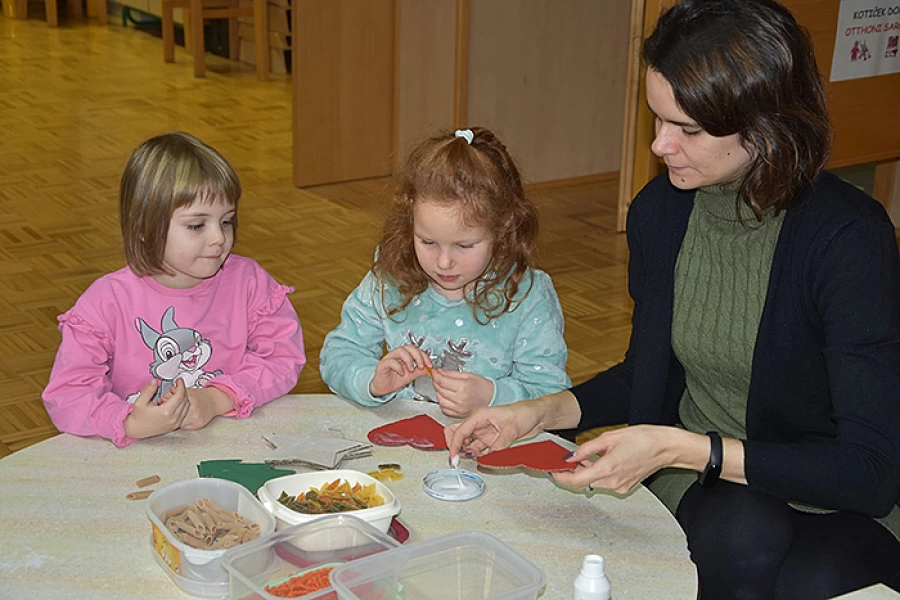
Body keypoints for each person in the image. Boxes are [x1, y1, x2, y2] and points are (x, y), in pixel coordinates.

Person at [446, 1, 900, 597]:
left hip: (831, 488)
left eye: (687, 129)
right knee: (742, 534)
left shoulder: (847, 238)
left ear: (766, 124)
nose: (660, 146)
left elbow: (869, 473)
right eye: (657, 119)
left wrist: (682, 447)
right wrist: (534, 414)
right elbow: (649, 375)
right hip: (709, 483)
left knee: (813, 578)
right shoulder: (661, 213)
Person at [42, 132, 306, 447]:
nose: (218, 239)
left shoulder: (249, 282)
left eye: (226, 221)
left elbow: (282, 359)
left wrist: (217, 398)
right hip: (137, 456)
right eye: (197, 225)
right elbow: (67, 394)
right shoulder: (106, 301)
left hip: (230, 444)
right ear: (143, 228)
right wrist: (128, 421)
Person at [320, 127, 570, 418]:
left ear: (503, 228)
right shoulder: (391, 276)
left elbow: (553, 396)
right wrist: (372, 381)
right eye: (427, 242)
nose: (443, 262)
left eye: (464, 245)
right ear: (410, 219)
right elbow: (338, 353)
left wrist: (492, 396)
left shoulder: (526, 295)